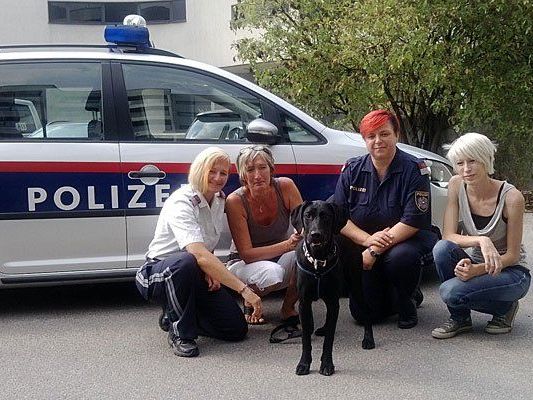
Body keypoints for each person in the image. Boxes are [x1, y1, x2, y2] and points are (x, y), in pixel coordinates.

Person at [135, 147, 262, 357]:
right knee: (186, 261)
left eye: (223, 173)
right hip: (158, 273)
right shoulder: (182, 201)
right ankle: (181, 334)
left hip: (193, 270)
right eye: (212, 171)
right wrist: (245, 290)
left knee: (235, 329)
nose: (218, 177)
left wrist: (210, 272)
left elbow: (207, 245)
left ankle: (177, 314)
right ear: (199, 170)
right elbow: (198, 254)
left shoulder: (219, 199)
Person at [332, 109, 438, 329]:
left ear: (396, 134)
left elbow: (412, 220)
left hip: (404, 241)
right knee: (364, 316)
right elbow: (340, 216)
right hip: (365, 243)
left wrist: (374, 250)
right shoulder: (352, 169)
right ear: (365, 140)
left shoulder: (414, 170)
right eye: (371, 136)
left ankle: (406, 299)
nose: (378, 141)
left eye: (384, 134)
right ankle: (391, 292)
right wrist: (367, 241)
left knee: (402, 257)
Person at [431, 132, 530, 339]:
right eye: (460, 163)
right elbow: (448, 235)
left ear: (486, 160)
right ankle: (460, 319)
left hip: (511, 272)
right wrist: (481, 240)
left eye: (472, 161)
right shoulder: (457, 185)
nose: (466, 169)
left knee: (450, 292)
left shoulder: (512, 197)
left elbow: (512, 255)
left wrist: (476, 270)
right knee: (441, 249)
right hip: (477, 262)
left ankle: (505, 308)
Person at [225, 145, 303, 325]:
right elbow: (246, 254)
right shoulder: (235, 201)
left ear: (271, 169)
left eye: (262, 167)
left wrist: (303, 236)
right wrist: (287, 245)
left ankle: (288, 308)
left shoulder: (286, 186)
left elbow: (303, 222)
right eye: (250, 170)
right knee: (272, 274)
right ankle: (249, 299)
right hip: (244, 263)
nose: (257, 175)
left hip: (281, 256)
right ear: (242, 175)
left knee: (307, 254)